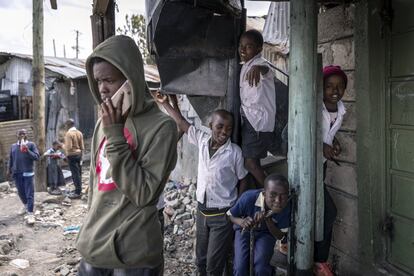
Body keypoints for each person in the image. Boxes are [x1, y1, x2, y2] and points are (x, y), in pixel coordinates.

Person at [75, 35, 178, 276]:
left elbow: (144, 194)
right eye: (98, 81)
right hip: (95, 247)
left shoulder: (161, 127)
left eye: (109, 80)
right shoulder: (104, 121)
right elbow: (95, 186)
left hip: (133, 254)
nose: (102, 88)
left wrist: (115, 135)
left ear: (130, 78)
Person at [154, 92, 248, 276]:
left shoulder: (234, 152)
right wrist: (165, 103)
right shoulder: (203, 140)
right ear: (210, 125)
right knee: (201, 260)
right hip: (202, 211)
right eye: (219, 127)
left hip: (223, 214)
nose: (224, 132)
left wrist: (237, 206)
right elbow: (181, 122)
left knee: (214, 265)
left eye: (228, 129)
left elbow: (243, 178)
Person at [313, 65, 347, 276]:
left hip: (321, 167)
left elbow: (327, 134)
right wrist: (320, 146)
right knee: (329, 212)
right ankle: (319, 261)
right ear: (320, 88)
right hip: (306, 168)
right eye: (329, 86)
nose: (335, 91)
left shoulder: (341, 109)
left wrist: (333, 144)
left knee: (320, 212)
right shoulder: (314, 107)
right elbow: (294, 133)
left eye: (340, 86)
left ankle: (316, 258)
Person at [227, 173, 290, 276]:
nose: (278, 201)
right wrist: (242, 222)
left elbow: (281, 236)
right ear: (264, 194)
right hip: (244, 231)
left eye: (283, 195)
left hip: (266, 234)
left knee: (261, 267)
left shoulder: (285, 207)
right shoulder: (248, 197)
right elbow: (229, 215)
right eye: (273, 195)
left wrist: (268, 220)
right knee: (240, 267)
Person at [238, 29, 276, 188]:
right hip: (250, 120)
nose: (242, 50)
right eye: (241, 46)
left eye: (248, 47)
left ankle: (273, 193)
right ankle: (261, 196)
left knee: (250, 163)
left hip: (257, 123)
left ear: (259, 49)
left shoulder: (260, 64)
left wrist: (259, 69)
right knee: (251, 162)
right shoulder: (246, 65)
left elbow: (267, 71)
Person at [8, 129, 40, 225]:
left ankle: (30, 213)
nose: (22, 135)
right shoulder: (13, 146)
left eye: (24, 133)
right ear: (16, 135)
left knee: (29, 193)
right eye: (20, 133)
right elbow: (11, 159)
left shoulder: (31, 145)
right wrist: (9, 169)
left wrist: (27, 150)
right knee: (21, 192)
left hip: (28, 172)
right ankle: (26, 205)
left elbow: (36, 157)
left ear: (26, 135)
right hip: (17, 173)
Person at [63, 119, 84, 199]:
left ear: (68, 125)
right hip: (79, 154)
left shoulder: (69, 134)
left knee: (75, 174)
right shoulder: (79, 133)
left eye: (66, 125)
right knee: (79, 173)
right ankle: (78, 190)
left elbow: (69, 147)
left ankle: (77, 192)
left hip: (72, 155)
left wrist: (62, 146)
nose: (65, 127)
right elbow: (82, 147)